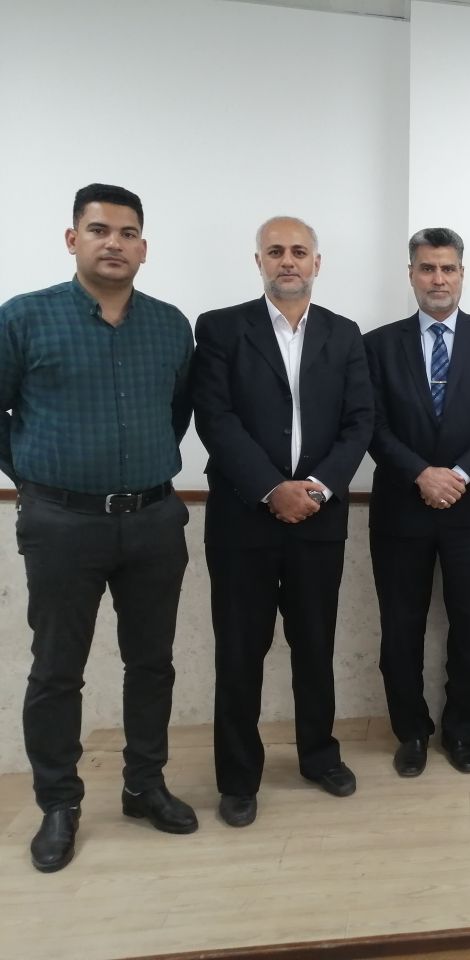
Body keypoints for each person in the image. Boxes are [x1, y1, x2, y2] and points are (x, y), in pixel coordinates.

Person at [0, 183, 198, 873]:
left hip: (153, 520)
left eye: (127, 232)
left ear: (144, 247)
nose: (114, 242)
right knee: (58, 670)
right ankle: (59, 803)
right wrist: (37, 478)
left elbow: (176, 411)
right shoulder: (23, 318)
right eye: (98, 229)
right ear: (72, 239)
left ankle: (145, 786)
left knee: (152, 663)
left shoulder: (170, 325)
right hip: (61, 524)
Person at [192, 216, 373, 828]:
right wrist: (272, 490)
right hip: (243, 519)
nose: (288, 261)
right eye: (276, 251)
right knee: (240, 652)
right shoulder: (220, 328)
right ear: (259, 262)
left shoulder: (345, 334)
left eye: (299, 251)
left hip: (318, 519)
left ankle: (318, 756)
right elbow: (215, 418)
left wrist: (314, 489)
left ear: (317, 263)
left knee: (315, 646)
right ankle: (238, 778)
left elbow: (360, 422)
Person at [364, 228, 470, 776]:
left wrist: (457, 475)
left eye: (448, 269)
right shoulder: (378, 344)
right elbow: (371, 424)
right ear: (410, 274)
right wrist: (420, 474)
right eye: (427, 268)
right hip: (400, 512)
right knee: (400, 629)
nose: (438, 279)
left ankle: (461, 731)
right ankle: (410, 732)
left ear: (461, 275)